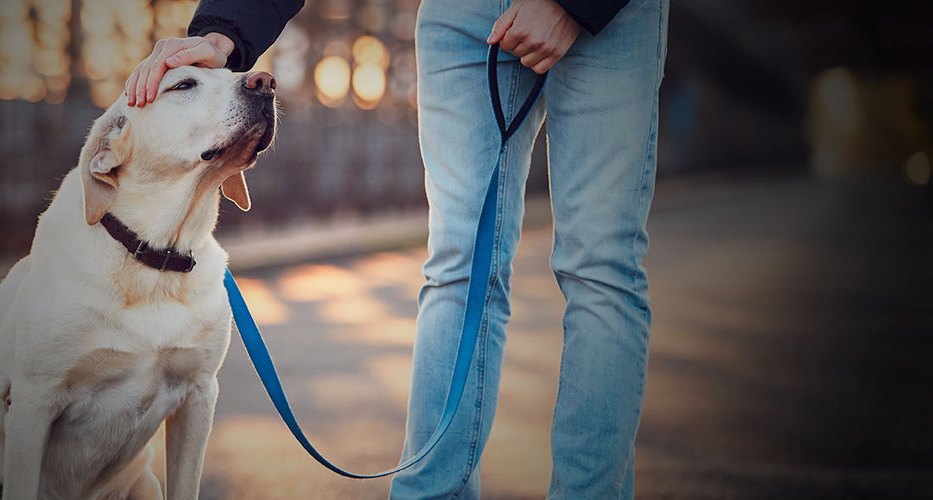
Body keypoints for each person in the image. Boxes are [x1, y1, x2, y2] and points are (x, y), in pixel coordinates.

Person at [127, 0, 668, 498]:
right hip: (465, 17)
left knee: (599, 264)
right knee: (458, 265)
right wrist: (225, 30)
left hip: (610, 22)